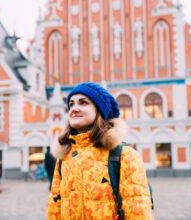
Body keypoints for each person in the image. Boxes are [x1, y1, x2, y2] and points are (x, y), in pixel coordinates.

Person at [47, 82, 154, 219]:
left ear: (100, 110)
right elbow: (55, 206)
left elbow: (138, 209)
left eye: (83, 103)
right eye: (71, 104)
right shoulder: (65, 156)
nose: (74, 108)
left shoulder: (124, 155)